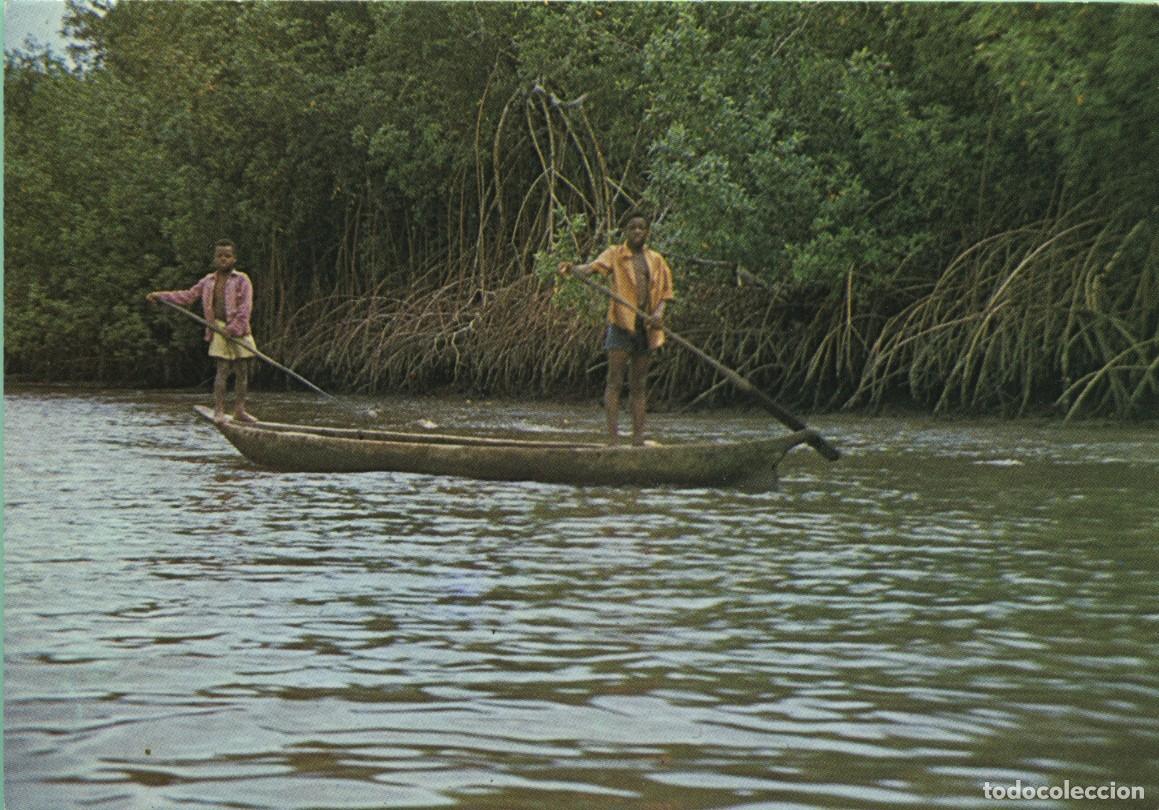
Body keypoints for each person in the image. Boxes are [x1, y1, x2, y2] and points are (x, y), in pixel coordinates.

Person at [559, 213, 675, 446]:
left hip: (646, 328)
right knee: (614, 382)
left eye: (642, 228)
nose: (637, 232)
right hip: (621, 326)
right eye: (632, 227)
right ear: (625, 231)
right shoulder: (615, 254)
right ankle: (613, 441)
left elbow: (665, 294)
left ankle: (638, 439)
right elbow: (592, 268)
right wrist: (573, 269)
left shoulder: (655, 260)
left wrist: (657, 316)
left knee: (639, 385)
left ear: (647, 232)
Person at [147, 239, 259, 423]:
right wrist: (161, 295)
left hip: (239, 329)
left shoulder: (242, 280)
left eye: (227, 256)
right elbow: (188, 296)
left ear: (234, 259)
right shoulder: (208, 281)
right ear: (215, 258)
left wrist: (233, 329)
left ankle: (240, 410)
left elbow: (245, 308)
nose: (223, 259)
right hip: (218, 328)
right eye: (219, 256)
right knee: (222, 369)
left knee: (242, 371)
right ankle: (219, 410)